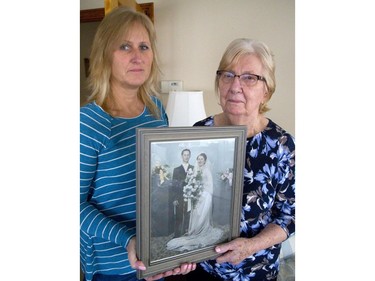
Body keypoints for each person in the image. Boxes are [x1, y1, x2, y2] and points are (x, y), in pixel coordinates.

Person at [80, 7, 195, 281]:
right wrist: (130, 240)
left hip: (157, 257)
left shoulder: (156, 110)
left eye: (144, 46)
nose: (137, 56)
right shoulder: (87, 123)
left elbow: (161, 182)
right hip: (114, 268)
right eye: (125, 46)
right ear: (104, 56)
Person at [186, 38, 295, 281]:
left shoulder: (282, 146)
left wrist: (251, 246)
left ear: (266, 90)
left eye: (249, 77)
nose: (235, 86)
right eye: (228, 75)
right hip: (203, 270)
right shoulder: (199, 132)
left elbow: (291, 215)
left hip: (255, 272)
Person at [167, 153, 225, 251]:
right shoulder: (195, 169)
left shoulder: (207, 170)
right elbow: (190, 182)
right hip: (197, 196)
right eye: (198, 159)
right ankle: (194, 231)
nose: (199, 161)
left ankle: (201, 230)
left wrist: (204, 193)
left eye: (201, 159)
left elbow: (210, 185)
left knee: (202, 215)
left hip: (205, 196)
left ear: (205, 160)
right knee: (195, 215)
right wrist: (194, 189)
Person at [171, 149, 194, 237]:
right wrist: (175, 198)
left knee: (189, 215)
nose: (186, 156)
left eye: (188, 155)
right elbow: (173, 186)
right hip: (179, 196)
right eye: (185, 155)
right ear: (182, 156)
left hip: (190, 195)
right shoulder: (176, 169)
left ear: (190, 156)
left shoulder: (193, 168)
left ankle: (186, 232)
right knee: (179, 215)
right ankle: (177, 234)